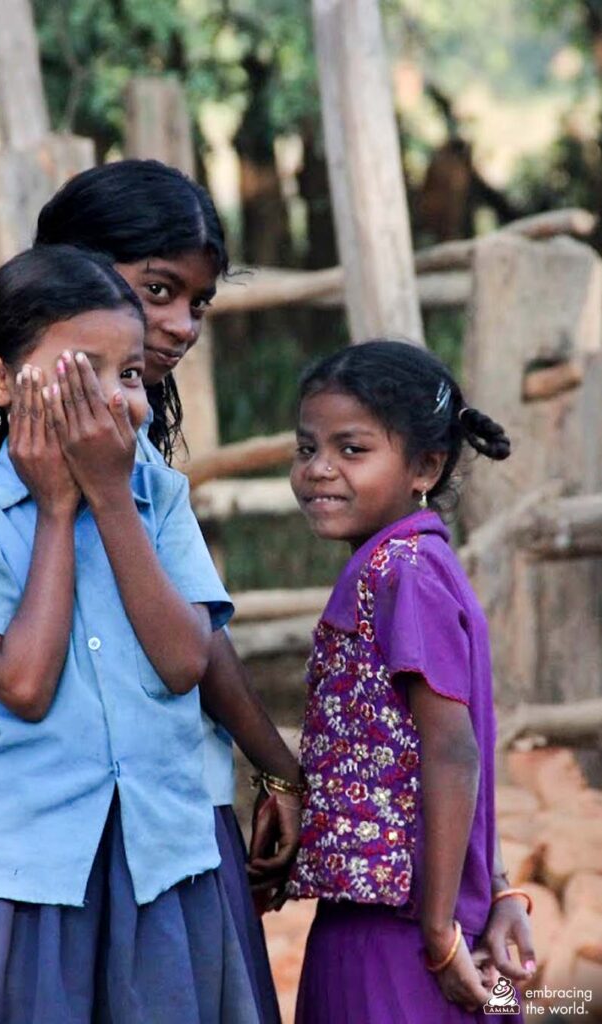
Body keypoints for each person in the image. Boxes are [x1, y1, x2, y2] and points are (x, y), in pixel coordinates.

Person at [0, 244, 268, 1024]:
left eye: (128, 374)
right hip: (27, 883)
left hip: (163, 871)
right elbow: (23, 685)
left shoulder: (156, 497)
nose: (115, 398)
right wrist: (59, 509)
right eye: (81, 369)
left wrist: (110, 501)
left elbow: (184, 661)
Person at [37, 160, 303, 996]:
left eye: (196, 303)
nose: (182, 324)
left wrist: (278, 770)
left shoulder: (141, 464)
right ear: (70, 270)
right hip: (61, 842)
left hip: (173, 818)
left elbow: (196, 640)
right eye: (157, 290)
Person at [285, 340, 535, 1023]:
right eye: (306, 448)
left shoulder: (402, 574)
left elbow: (452, 751)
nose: (318, 471)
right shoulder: (404, 565)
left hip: (396, 932)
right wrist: (498, 890)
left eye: (351, 449)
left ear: (425, 465)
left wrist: (436, 936)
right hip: (418, 918)